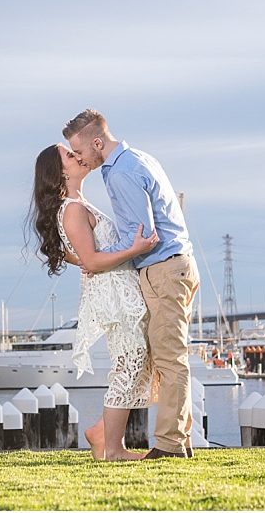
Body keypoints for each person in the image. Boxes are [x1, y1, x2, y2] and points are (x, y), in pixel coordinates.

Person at [64, 109, 200, 459]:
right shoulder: (138, 159)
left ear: (97, 142)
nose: (78, 158)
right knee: (168, 360)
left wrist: (93, 259)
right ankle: (176, 442)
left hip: (164, 270)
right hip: (172, 268)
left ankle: (170, 447)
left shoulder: (121, 173)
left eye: (79, 151)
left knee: (170, 361)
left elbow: (143, 237)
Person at [28, 143, 159, 461]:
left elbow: (82, 255)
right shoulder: (72, 209)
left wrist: (86, 261)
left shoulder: (78, 204)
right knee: (128, 364)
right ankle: (113, 449)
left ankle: (102, 432)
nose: (77, 156)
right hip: (114, 296)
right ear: (60, 171)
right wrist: (136, 249)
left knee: (140, 362)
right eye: (68, 156)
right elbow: (94, 259)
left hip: (120, 289)